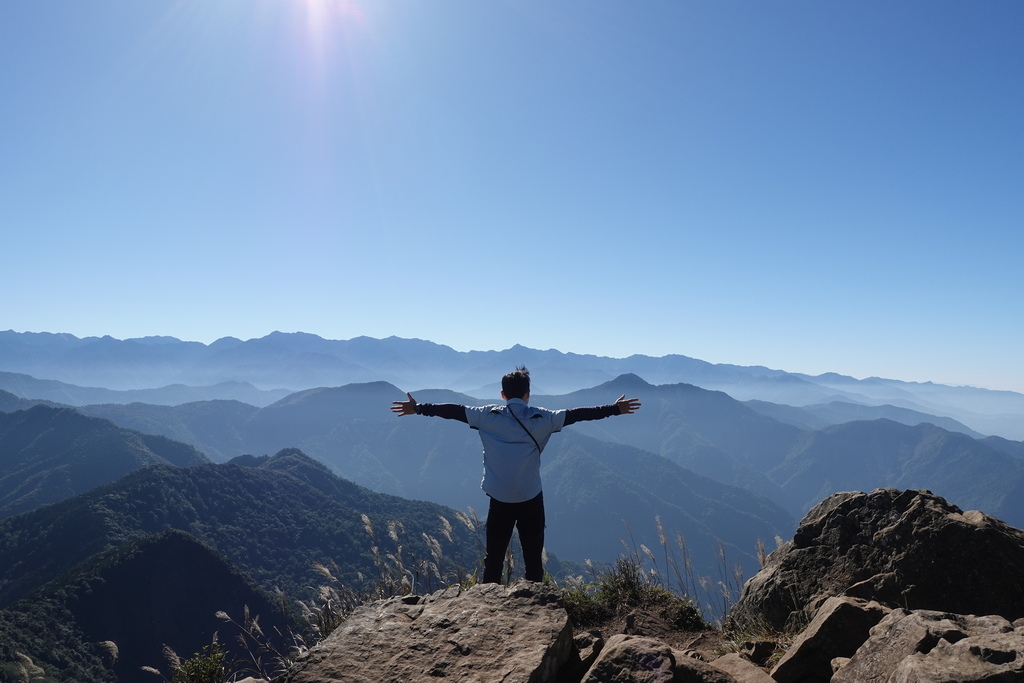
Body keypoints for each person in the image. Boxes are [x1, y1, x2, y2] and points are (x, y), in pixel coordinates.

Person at [391, 366, 641, 584]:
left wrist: (419, 408)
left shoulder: (487, 416)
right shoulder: (544, 418)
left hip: (499, 500)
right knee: (533, 558)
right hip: (531, 498)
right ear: (527, 394)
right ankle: (537, 610)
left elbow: (453, 410)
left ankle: (487, 605)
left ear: (502, 395)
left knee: (494, 559)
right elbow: (579, 414)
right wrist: (615, 409)